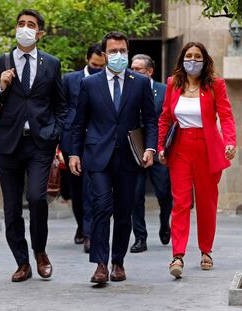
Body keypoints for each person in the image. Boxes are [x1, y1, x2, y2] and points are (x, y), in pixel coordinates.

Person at [0, 9, 67, 282]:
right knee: (11, 208)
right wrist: (1, 86)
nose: (25, 28)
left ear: (39, 32)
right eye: (21, 24)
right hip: (9, 144)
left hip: (40, 143)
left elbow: (60, 105)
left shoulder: (51, 63)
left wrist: (56, 132)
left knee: (38, 199)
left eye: (30, 25)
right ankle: (22, 262)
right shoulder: (0, 63)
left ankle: (40, 251)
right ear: (15, 29)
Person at [69, 31, 157, 284]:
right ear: (105, 54)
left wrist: (150, 147)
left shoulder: (139, 83)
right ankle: (99, 265)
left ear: (127, 53)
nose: (118, 55)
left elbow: (150, 120)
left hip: (129, 157)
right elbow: (79, 122)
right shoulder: (89, 84)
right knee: (101, 207)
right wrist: (74, 153)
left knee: (123, 211)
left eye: (122, 51)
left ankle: (118, 261)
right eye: (113, 51)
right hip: (97, 156)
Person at [157, 41, 236, 279]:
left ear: (204, 60)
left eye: (197, 56)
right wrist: (161, 146)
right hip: (180, 148)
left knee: (206, 202)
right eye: (188, 56)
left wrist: (230, 141)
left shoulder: (215, 85)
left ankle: (206, 251)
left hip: (207, 147)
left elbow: (226, 115)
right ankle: (177, 255)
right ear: (182, 59)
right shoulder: (173, 84)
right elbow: (165, 118)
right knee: (180, 202)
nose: (193, 60)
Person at [60, 43, 106, 253]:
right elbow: (61, 108)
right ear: (87, 59)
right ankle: (81, 225)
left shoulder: (107, 79)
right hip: (72, 141)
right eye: (94, 64)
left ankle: (89, 233)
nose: (98, 68)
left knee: (92, 189)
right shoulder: (70, 79)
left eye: (101, 65)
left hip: (96, 141)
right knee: (76, 191)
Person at [129, 54, 173, 253]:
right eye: (132, 68)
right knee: (135, 196)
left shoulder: (164, 91)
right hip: (135, 151)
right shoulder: (126, 90)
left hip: (158, 150)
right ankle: (140, 238)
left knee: (164, 193)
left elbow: (171, 120)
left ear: (150, 71)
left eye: (138, 69)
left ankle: (165, 222)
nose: (133, 72)